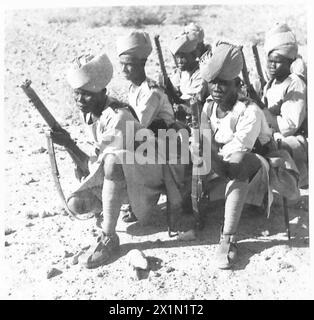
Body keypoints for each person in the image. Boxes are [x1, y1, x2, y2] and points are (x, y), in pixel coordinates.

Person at [52, 53, 189, 269]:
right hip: (127, 171)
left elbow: (101, 163)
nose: (80, 100)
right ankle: (113, 206)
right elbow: (95, 161)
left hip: (153, 171)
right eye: (77, 94)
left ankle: (109, 237)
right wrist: (72, 151)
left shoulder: (118, 116)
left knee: (113, 161)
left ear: (102, 93)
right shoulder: (90, 113)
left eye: (86, 95)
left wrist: (70, 146)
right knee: (77, 204)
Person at [198, 41, 277, 269]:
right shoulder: (208, 107)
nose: (216, 88)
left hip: (256, 171)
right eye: (212, 82)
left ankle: (229, 238)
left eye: (223, 83)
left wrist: (207, 154)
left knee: (237, 161)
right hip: (222, 165)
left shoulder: (249, 111)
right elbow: (204, 142)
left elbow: (235, 158)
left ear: (238, 83)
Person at [262, 23, 308, 187]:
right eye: (270, 61)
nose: (272, 66)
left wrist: (264, 114)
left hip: (294, 140)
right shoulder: (272, 83)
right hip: (274, 133)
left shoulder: (295, 84)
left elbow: (290, 126)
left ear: (289, 62)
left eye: (278, 62)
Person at [117, 30, 175, 135]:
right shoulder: (133, 87)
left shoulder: (152, 92)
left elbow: (138, 125)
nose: (123, 69)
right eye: (121, 64)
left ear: (142, 64)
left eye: (128, 64)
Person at [169, 31, 209, 122]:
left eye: (182, 57)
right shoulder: (182, 72)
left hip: (200, 118)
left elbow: (192, 102)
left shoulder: (201, 74)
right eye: (177, 57)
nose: (179, 61)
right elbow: (174, 88)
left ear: (194, 55)